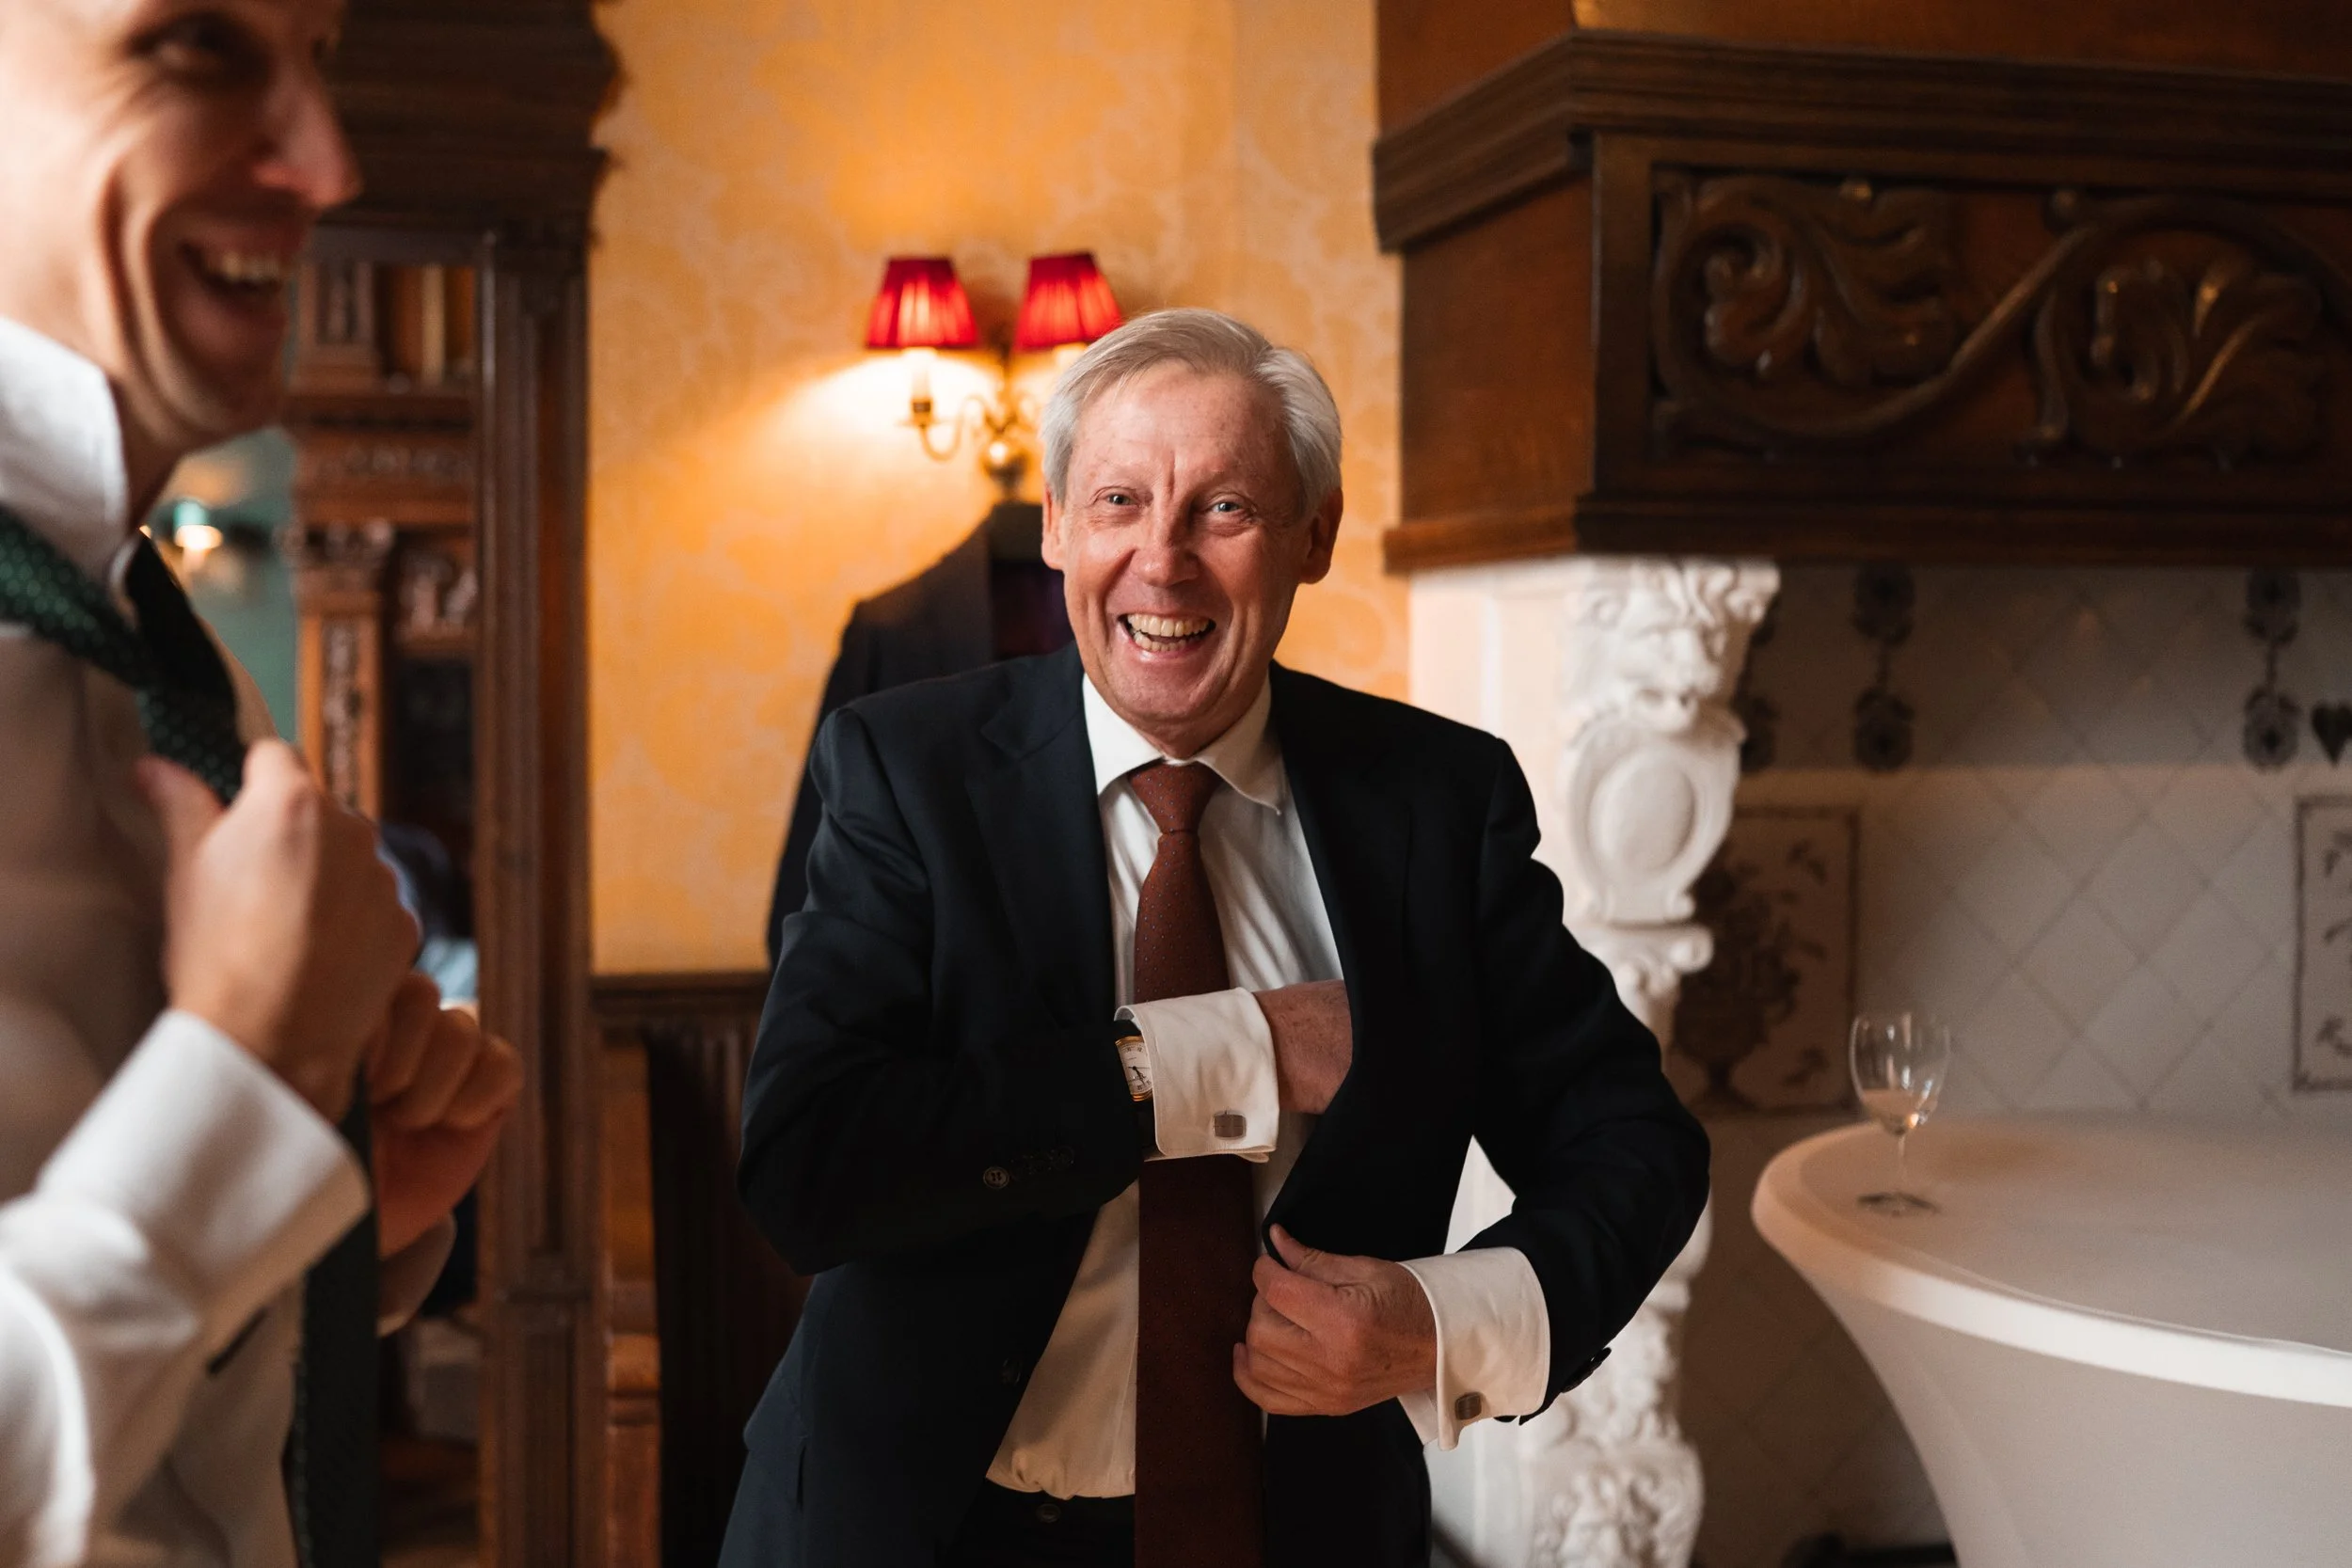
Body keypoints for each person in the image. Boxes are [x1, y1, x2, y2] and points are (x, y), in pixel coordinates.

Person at [723, 309, 1708, 1568]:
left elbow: (1634, 1142)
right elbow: (810, 1164)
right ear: (1058, 530)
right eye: (1121, 500)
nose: (1163, 562)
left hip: (1297, 1534)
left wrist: (1439, 1324)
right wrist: (1222, 1052)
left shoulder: (1436, 806)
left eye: (1225, 507)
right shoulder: (907, 772)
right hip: (919, 1526)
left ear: (1316, 534)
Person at [0, 3, 521, 1565]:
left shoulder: (148, 635)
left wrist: (332, 1209)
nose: (327, 160)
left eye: (324, 52)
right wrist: (236, 1080)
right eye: (192, 45)